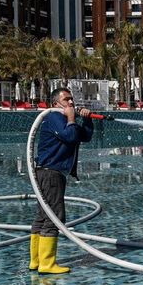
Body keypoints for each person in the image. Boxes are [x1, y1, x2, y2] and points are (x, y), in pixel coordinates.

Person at [30, 88, 94, 274]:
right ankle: (47, 264)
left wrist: (87, 119)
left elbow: (84, 136)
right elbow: (70, 136)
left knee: (43, 216)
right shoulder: (54, 117)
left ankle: (36, 261)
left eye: (72, 99)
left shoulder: (64, 118)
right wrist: (72, 118)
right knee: (54, 216)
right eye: (67, 100)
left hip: (49, 173)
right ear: (55, 103)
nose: (71, 103)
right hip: (50, 173)